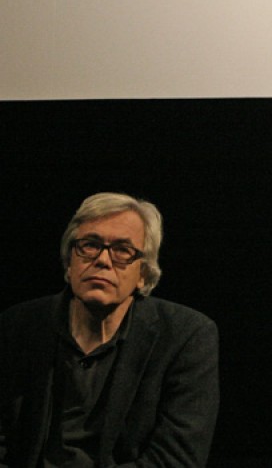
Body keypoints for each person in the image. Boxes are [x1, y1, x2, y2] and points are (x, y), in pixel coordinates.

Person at [0, 192, 219, 467]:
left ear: (143, 273)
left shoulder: (187, 336)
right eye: (89, 245)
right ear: (70, 262)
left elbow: (176, 458)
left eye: (122, 250)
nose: (103, 260)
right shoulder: (17, 326)